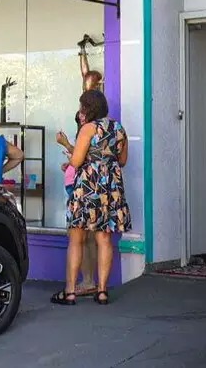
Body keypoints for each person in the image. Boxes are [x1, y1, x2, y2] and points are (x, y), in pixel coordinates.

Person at [51, 90, 131, 306]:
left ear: (88, 108)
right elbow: (122, 160)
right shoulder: (118, 128)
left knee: (76, 239)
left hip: (87, 186)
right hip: (111, 187)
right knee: (104, 239)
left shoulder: (88, 128)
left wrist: (73, 154)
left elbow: (77, 161)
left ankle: (70, 292)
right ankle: (103, 291)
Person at [57, 111, 97, 297]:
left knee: (79, 238)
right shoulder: (88, 131)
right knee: (85, 239)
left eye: (83, 112)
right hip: (75, 185)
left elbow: (84, 156)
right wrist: (70, 166)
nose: (81, 116)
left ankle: (79, 284)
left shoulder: (91, 131)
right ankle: (87, 281)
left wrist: (65, 144)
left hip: (79, 189)